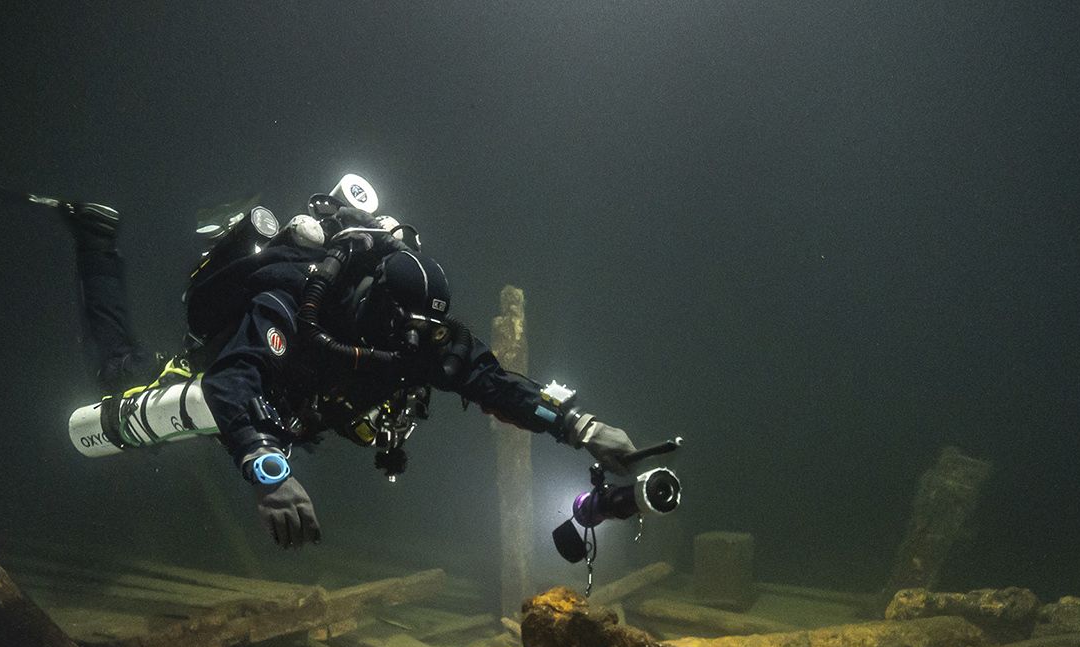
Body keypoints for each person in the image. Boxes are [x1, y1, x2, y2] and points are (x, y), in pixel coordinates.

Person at [51, 178, 641, 548]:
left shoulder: (419, 334)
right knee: (121, 374)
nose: (414, 345)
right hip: (243, 391)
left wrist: (580, 427)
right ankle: (96, 242)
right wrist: (266, 471)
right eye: (404, 329)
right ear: (374, 305)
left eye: (426, 331)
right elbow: (235, 379)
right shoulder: (292, 300)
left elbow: (490, 381)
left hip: (298, 413)